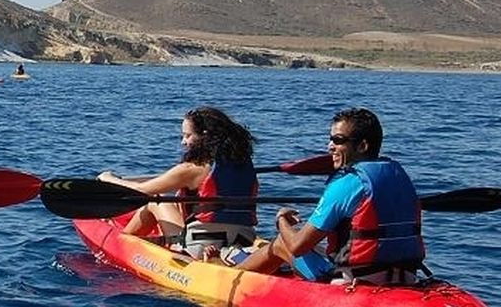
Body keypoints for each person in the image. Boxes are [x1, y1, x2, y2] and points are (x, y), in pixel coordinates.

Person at [234, 108, 425, 283]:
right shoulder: (399, 175)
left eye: (338, 140)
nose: (330, 146)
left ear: (362, 146)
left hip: (353, 280)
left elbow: (297, 247)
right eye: (331, 139)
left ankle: (233, 278)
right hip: (406, 277)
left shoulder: (346, 183)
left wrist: (281, 219)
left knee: (282, 242)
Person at [99, 106, 260, 259]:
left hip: (201, 244)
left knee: (156, 199)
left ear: (205, 136)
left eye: (188, 135)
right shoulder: (243, 165)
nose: (183, 142)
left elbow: (142, 190)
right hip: (243, 240)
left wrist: (109, 179)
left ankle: (122, 240)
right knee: (179, 199)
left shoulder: (193, 168)